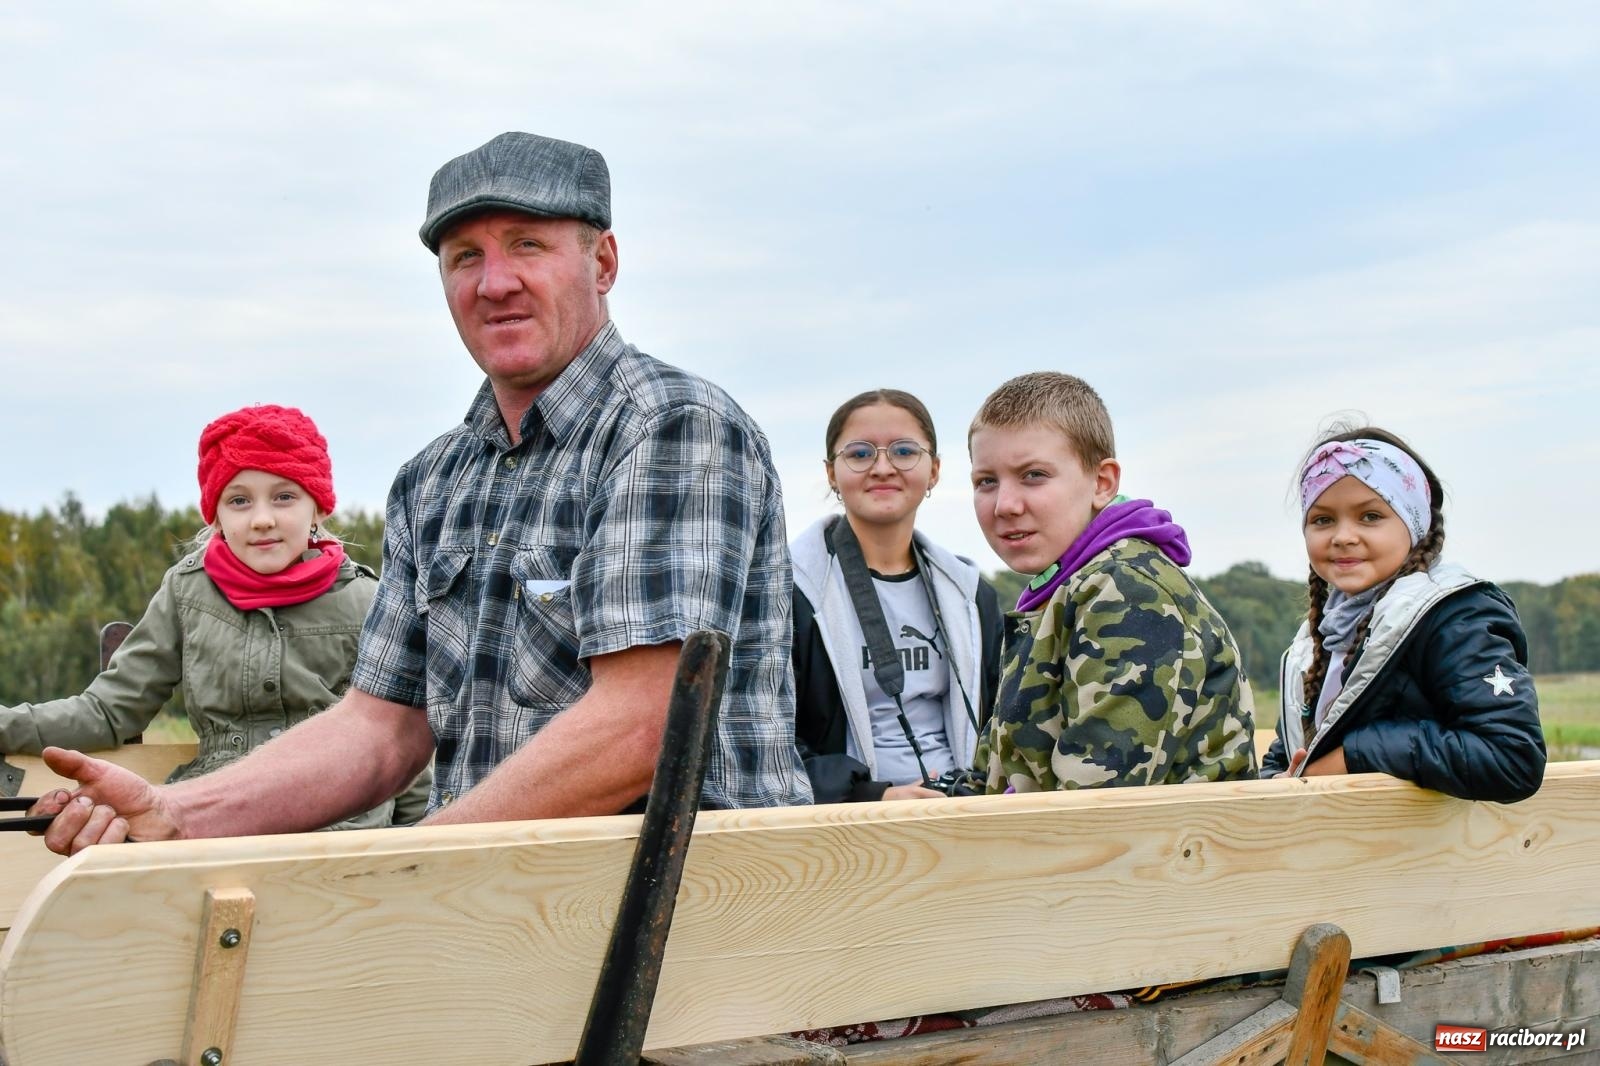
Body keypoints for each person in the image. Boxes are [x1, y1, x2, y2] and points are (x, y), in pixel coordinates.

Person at [31, 131, 810, 854]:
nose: (494, 282)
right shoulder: (432, 481)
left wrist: (414, 863)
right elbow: (379, 729)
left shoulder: (671, 429)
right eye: (464, 257)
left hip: (692, 916)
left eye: (527, 246)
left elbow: (642, 727)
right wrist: (179, 813)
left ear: (603, 263)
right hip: (501, 905)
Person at [1, 404, 429, 828]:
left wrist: (413, 861)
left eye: (284, 497)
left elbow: (395, 740)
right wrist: (7, 725)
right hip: (213, 822)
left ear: (317, 508)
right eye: (239, 500)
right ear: (217, 513)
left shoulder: (370, 600)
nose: (262, 519)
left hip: (340, 834)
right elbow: (109, 711)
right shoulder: (186, 592)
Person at [966, 371, 1257, 792]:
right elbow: (1003, 768)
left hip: (1163, 852)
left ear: (1101, 483)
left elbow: (1097, 802)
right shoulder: (1061, 588)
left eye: (1033, 475)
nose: (1005, 505)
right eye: (986, 481)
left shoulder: (1127, 591)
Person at [1260, 427, 1545, 801]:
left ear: (1414, 525)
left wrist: (1354, 755)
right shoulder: (1322, 636)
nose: (1343, 536)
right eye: (1323, 519)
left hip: (1424, 857)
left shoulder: (1455, 616)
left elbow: (1513, 758)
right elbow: (1290, 751)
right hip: (1338, 851)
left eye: (1371, 516)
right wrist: (1273, 784)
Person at [791, 389, 1002, 803]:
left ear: (935, 470)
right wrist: (873, 796)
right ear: (832, 473)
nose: (883, 467)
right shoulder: (789, 593)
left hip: (963, 810)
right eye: (860, 453)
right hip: (846, 827)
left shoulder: (971, 595)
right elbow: (763, 745)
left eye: (904, 451)